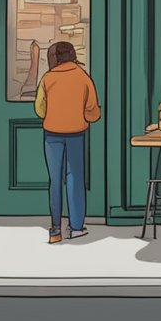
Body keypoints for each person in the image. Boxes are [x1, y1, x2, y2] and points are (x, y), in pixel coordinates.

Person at [35, 41, 101, 244]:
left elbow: (40, 109)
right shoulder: (83, 77)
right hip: (76, 135)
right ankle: (76, 227)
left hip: (52, 135)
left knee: (55, 181)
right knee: (75, 179)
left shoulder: (47, 79)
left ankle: (55, 228)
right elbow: (93, 112)